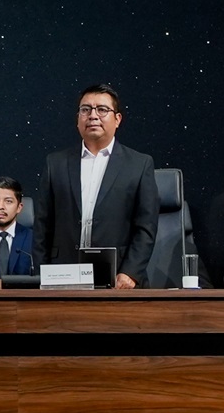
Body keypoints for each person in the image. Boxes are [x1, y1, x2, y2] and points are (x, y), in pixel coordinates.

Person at [33, 83, 160, 289]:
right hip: (62, 277)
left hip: (119, 280)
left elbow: (146, 227)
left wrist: (130, 272)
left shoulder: (139, 164)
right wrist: (40, 272)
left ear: (117, 119)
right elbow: (42, 225)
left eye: (102, 109)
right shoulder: (55, 163)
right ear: (77, 119)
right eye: (85, 109)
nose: (93, 115)